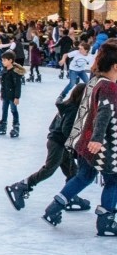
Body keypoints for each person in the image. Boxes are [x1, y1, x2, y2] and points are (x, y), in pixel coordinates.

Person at [43, 39, 117, 236]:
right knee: (113, 180)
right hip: (101, 146)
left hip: (85, 142)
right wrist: (98, 139)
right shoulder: (109, 87)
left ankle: (54, 207)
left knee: (84, 176)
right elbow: (104, 113)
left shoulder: (94, 81)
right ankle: (106, 221)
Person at [5, 83, 88, 211]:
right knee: (49, 169)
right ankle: (20, 186)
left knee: (73, 172)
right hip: (58, 144)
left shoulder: (67, 105)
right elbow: (67, 130)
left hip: (60, 143)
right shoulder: (73, 109)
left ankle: (71, 196)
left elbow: (54, 125)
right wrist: (79, 139)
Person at [0, 51, 25, 138]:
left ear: (10, 60)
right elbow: (3, 84)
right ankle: (3, 126)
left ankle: (16, 127)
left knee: (14, 111)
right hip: (5, 95)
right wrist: (1, 94)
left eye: (4, 60)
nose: (3, 62)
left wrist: (17, 97)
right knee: (4, 110)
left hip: (12, 96)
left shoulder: (15, 72)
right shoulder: (4, 71)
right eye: (2, 60)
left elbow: (18, 86)